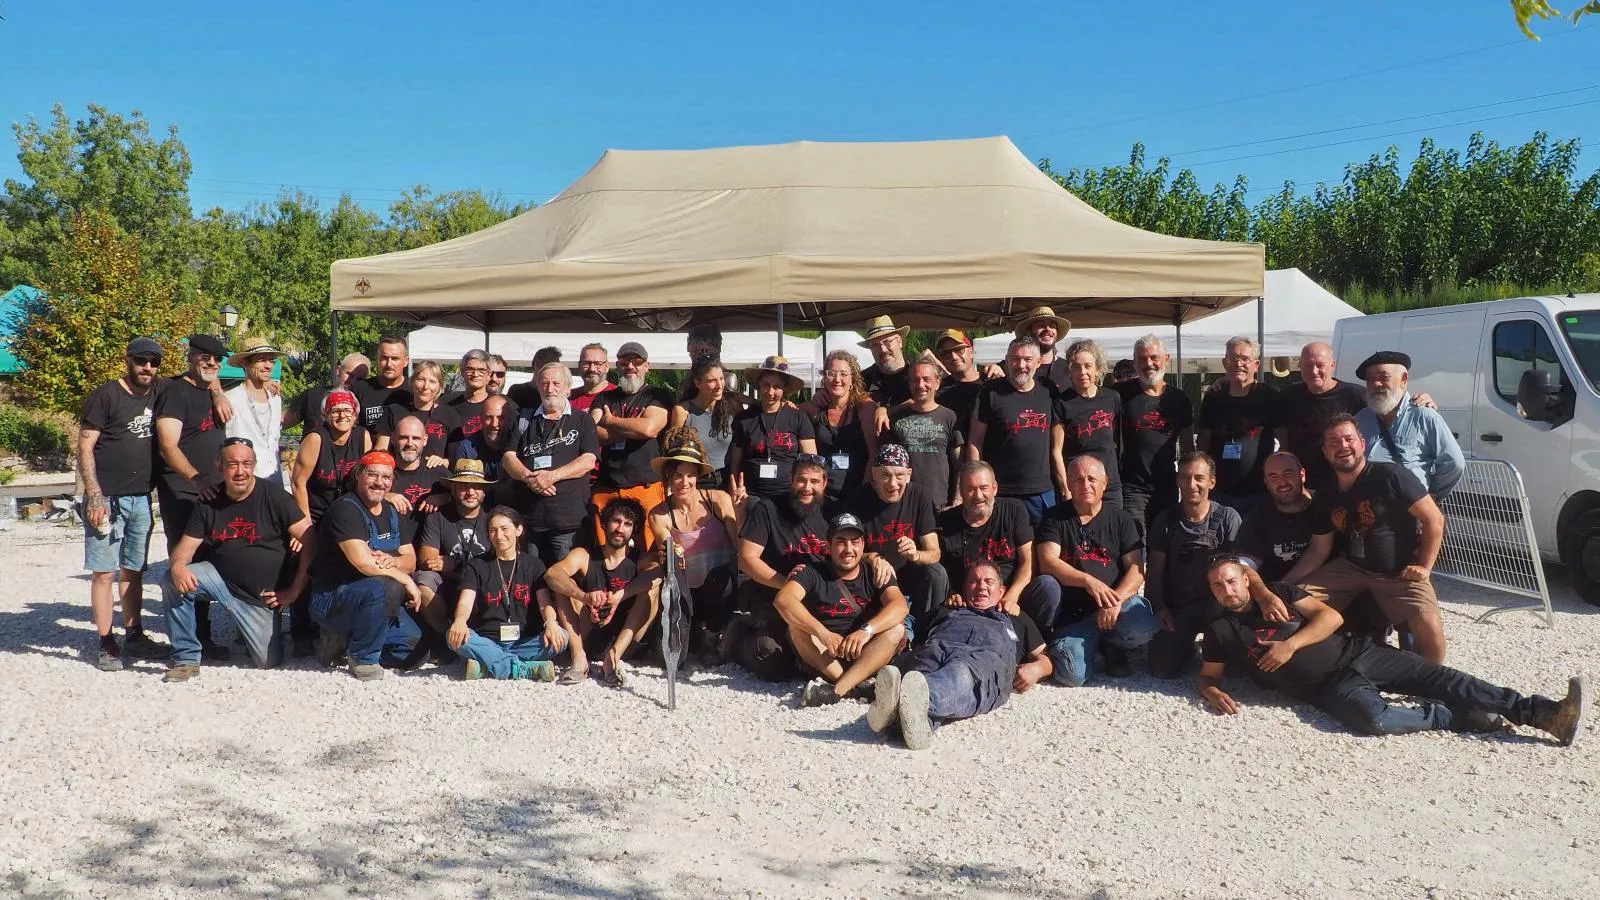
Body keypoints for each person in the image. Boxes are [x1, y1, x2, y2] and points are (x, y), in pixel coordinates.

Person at [1197, 558, 1585, 745]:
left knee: (1443, 677)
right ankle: (1451, 714)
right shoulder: (1219, 629)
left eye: (1231, 581)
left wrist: (1291, 645)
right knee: (1374, 721)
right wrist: (1212, 691)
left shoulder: (1280, 592)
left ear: (1246, 579)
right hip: (1327, 688)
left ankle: (1544, 713)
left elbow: (1330, 618)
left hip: (1359, 653)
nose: (1227, 590)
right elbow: (1209, 675)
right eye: (1218, 586)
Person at [1285, 414, 1450, 663]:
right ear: (1325, 452)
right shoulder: (1327, 493)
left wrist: (1424, 567)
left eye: (1348, 439)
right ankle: (1319, 655)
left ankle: (1434, 684)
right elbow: (1319, 551)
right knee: (1294, 598)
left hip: (1399, 571)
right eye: (1333, 443)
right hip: (1351, 568)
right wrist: (1282, 586)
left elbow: (1434, 520)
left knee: (1430, 629)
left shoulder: (1391, 475)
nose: (1342, 447)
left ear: (1362, 443)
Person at [160, 438, 315, 681]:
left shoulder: (274, 496)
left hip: (259, 596)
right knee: (171, 578)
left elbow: (311, 540)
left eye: (246, 463)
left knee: (267, 662)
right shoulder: (209, 500)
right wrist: (178, 565)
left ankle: (256, 628)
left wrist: (294, 590)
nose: (240, 471)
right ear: (219, 466)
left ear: (254, 465)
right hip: (219, 580)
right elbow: (185, 548)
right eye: (232, 464)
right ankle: (186, 658)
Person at [869, 561, 1051, 750]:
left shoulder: (1016, 615)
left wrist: (1038, 668)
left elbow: (1046, 656)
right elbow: (914, 636)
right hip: (939, 646)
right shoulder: (946, 608)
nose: (981, 586)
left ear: (1001, 590)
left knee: (961, 674)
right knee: (921, 669)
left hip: (983, 656)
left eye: (989, 582)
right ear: (964, 588)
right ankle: (918, 725)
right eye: (974, 581)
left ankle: (898, 705)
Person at [78, 337, 171, 670]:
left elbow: (196, 382)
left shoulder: (161, 391)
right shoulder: (106, 396)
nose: (147, 368)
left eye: (153, 362)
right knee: (104, 572)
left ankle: (135, 634)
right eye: (141, 361)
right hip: (107, 497)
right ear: (128, 360)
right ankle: (106, 642)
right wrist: (93, 494)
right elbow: (86, 447)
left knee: (134, 569)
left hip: (142, 497)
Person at [1032, 456, 1159, 685]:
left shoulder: (1121, 519)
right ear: (1069, 484)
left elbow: (1137, 569)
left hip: (1114, 607)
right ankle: (1087, 642)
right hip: (1075, 613)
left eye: (1092, 479)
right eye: (1078, 480)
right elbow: (1048, 561)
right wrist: (1087, 580)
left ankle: (1112, 644)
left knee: (1143, 624)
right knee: (1072, 676)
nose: (1085, 485)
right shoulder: (1055, 517)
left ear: (1105, 483)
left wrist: (1115, 601)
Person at [306, 451, 424, 681]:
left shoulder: (393, 512)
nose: (380, 483)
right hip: (333, 598)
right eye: (372, 475)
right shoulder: (346, 509)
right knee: (385, 586)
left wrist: (396, 562)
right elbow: (364, 563)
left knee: (416, 650)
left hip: (376, 605)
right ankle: (363, 658)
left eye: (386, 478)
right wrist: (404, 578)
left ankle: (344, 642)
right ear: (359, 475)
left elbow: (410, 560)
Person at [775, 512, 909, 707]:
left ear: (863, 546)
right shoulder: (812, 572)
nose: (848, 549)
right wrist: (823, 633)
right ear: (828, 546)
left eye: (854, 542)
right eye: (840, 542)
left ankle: (836, 691)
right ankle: (853, 687)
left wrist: (866, 631)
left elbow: (899, 606)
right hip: (827, 654)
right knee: (796, 627)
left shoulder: (876, 571)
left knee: (897, 630)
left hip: (866, 653)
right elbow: (784, 600)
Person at [154, 333, 231, 660]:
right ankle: (188, 644)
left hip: (214, 488)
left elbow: (212, 382)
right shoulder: (174, 392)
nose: (212, 362)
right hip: (184, 490)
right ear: (191, 356)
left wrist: (217, 391)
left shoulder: (211, 389)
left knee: (211, 560)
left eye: (217, 358)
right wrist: (196, 479)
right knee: (185, 564)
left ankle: (203, 634)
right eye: (205, 356)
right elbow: (167, 445)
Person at [729, 455, 831, 680]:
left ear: (824, 483)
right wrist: (789, 584)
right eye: (801, 480)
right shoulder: (768, 509)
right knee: (773, 663)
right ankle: (737, 635)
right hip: (773, 597)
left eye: (814, 482)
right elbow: (746, 559)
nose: (807, 487)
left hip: (819, 602)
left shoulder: (832, 513)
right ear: (791, 480)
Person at [289, 388, 374, 655]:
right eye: (336, 410)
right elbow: (298, 481)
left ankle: (340, 626)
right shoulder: (316, 438)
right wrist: (304, 525)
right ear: (326, 414)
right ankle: (301, 631)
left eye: (347, 410)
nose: (342, 415)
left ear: (355, 414)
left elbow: (368, 478)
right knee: (302, 557)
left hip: (346, 511)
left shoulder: (362, 437)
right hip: (314, 510)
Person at [647, 427, 742, 663]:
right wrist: (671, 548)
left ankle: (713, 636)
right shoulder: (660, 514)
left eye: (690, 475)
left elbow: (738, 544)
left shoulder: (718, 500)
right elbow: (667, 550)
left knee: (721, 577)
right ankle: (689, 635)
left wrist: (739, 513)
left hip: (720, 588)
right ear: (668, 477)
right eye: (678, 475)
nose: (684, 482)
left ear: (698, 476)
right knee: (672, 661)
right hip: (685, 591)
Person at [1146, 452, 1244, 679]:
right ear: (1178, 481)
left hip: (1219, 608)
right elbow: (1155, 571)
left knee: (1239, 671)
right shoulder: (1165, 520)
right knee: (1161, 669)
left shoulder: (1229, 518)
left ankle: (1223, 642)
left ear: (1212, 482)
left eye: (1199, 478)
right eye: (1185, 477)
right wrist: (1159, 607)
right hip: (1179, 608)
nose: (1191, 485)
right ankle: (1186, 646)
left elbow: (1241, 574)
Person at [545, 499, 658, 687]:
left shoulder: (640, 558)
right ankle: (579, 658)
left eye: (627, 524)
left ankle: (612, 659)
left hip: (626, 639)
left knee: (651, 588)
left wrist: (621, 595)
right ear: (604, 524)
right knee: (564, 585)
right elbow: (552, 574)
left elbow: (657, 574)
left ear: (634, 530)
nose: (620, 528)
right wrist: (585, 597)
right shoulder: (585, 555)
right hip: (589, 632)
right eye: (616, 521)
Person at [447, 506, 566, 681]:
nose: (499, 536)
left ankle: (488, 665)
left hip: (523, 641)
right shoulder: (477, 564)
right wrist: (460, 621)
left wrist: (551, 623)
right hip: (487, 639)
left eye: (504, 529)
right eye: (493, 530)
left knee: (562, 637)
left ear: (518, 530)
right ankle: (521, 668)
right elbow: (466, 601)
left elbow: (544, 603)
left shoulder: (534, 565)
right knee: (454, 637)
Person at [502, 361, 600, 565]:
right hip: (530, 519)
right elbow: (508, 457)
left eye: (556, 383)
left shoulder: (582, 420)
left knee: (564, 580)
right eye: (545, 383)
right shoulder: (524, 418)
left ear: (567, 386)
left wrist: (551, 477)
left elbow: (588, 460)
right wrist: (531, 479)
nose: (550, 388)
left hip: (568, 521)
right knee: (532, 581)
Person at [851, 443, 945, 639]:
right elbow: (843, 550)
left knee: (937, 572)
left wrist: (916, 554)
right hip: (875, 578)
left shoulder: (919, 496)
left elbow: (934, 553)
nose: (893, 484)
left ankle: (928, 633)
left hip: (910, 574)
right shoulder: (858, 499)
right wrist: (871, 557)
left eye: (899, 475)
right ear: (874, 474)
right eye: (886, 475)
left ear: (909, 474)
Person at [938, 461, 1053, 622]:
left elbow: (1028, 562)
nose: (978, 496)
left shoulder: (1014, 510)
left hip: (1013, 597)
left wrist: (1012, 596)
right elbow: (942, 568)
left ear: (995, 488)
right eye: (970, 489)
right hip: (969, 601)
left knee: (1047, 586)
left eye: (984, 488)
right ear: (962, 493)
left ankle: (1041, 635)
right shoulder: (947, 521)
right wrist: (951, 593)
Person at [967, 336, 1061, 523]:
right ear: (1007, 360)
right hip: (1002, 491)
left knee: (1043, 547)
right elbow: (975, 442)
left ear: (1038, 362)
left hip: (1041, 491)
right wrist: (975, 483)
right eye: (1015, 359)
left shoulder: (1049, 391)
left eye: (1027, 359)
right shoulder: (991, 392)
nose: (1021, 365)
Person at [591, 341, 671, 549]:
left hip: (646, 485)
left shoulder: (657, 395)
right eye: (624, 362)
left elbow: (649, 429)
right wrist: (632, 430)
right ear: (617, 366)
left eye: (637, 362)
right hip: (607, 486)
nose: (630, 367)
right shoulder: (604, 397)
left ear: (647, 366)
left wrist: (610, 422)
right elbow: (592, 433)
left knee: (652, 548)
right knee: (605, 549)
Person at [1354, 351, 1464, 498]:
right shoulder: (1361, 419)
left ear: (1403, 379)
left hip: (1408, 511)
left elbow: (1454, 463)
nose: (1375, 384)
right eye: (1370, 379)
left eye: (1383, 377)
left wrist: (1430, 496)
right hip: (1367, 509)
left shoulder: (1424, 416)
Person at [1116, 334, 1195, 529]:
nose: (1148, 363)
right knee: (1134, 546)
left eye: (1154, 358)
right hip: (1132, 488)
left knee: (1163, 545)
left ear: (1166, 359)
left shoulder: (1179, 398)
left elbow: (1187, 447)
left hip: (1167, 485)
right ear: (1134, 362)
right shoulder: (1119, 394)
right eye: (1142, 359)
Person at [1197, 337, 1283, 515]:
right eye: (1233, 358)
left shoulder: (1269, 397)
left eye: (1245, 359)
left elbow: (1285, 440)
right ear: (1224, 362)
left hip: (1259, 491)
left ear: (1256, 364)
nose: (1238, 363)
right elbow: (1203, 443)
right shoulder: (1214, 397)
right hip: (1219, 492)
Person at [414, 458, 495, 640]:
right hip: (450, 584)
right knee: (424, 580)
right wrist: (449, 568)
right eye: (463, 486)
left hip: (485, 585)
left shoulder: (494, 517)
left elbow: (503, 559)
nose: (470, 492)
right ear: (452, 489)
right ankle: (445, 639)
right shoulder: (437, 518)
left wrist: (456, 563)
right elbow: (427, 561)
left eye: (476, 487)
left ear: (484, 492)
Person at [1279, 341, 1366, 489]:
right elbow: (1280, 432)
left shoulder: (1355, 395)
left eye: (1320, 365)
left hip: (1344, 484)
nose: (1314, 371)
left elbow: (1387, 413)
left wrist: (1418, 400)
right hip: (1303, 485)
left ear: (1332, 365)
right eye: (1307, 365)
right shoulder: (1289, 396)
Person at [729, 356, 817, 501]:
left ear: (785, 388)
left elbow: (811, 461)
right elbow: (735, 464)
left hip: (788, 495)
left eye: (777, 387)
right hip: (752, 495)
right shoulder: (744, 418)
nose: (770, 392)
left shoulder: (798, 417)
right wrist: (734, 491)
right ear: (759, 385)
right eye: (766, 385)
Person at [801, 350, 877, 513]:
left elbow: (874, 454)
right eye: (831, 374)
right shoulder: (814, 409)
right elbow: (790, 410)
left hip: (858, 493)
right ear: (825, 378)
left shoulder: (864, 408)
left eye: (843, 374)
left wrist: (863, 493)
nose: (837, 380)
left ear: (852, 379)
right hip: (823, 496)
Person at [1054, 338, 1124, 510]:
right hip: (1079, 486)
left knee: (1111, 532)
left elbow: (1118, 440)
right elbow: (1056, 450)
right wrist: (1065, 489)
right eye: (1076, 367)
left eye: (1088, 366)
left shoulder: (1112, 398)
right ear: (1070, 371)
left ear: (1098, 369)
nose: (1082, 372)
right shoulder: (1062, 402)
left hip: (1110, 484)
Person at [887, 356, 964, 509]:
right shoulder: (895, 418)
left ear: (937, 383)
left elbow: (960, 463)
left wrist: (957, 499)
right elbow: (887, 465)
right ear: (909, 384)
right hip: (903, 504)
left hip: (939, 504)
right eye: (915, 380)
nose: (920, 385)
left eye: (926, 379)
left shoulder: (949, 417)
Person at [1236, 451, 1319, 583]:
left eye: (1288, 474)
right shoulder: (1257, 517)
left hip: (1326, 583)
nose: (1282, 483)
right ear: (1266, 483)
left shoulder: (1324, 505)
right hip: (1275, 589)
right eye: (1273, 477)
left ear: (1302, 475)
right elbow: (1247, 562)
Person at [670, 359, 744, 487]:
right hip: (697, 481)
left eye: (721, 378)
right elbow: (673, 453)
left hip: (728, 480)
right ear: (698, 383)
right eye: (712, 380)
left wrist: (786, 404)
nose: (719, 385)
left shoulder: (733, 408)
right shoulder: (682, 411)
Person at [223, 344, 288, 485]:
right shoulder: (231, 399)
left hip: (274, 478)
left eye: (271, 361)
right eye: (262, 360)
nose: (268, 366)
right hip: (244, 479)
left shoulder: (275, 399)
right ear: (245, 363)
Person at [376, 361, 460, 466]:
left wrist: (444, 462)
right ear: (412, 382)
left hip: (434, 477)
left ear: (440, 387)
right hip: (399, 476)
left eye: (432, 381)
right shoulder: (393, 412)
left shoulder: (449, 414)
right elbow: (380, 451)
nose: (426, 386)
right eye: (421, 380)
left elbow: (456, 457)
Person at [450, 393, 517, 509]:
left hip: (511, 511)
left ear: (510, 419)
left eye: (500, 418)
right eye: (489, 417)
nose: (494, 424)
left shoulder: (518, 445)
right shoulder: (467, 447)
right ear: (480, 419)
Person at [386, 415, 450, 523]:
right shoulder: (382, 472)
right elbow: (356, 494)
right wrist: (383, 495)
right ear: (393, 438)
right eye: (403, 437)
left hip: (431, 538)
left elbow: (464, 493)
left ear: (424, 440)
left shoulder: (436, 470)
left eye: (416, 438)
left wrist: (445, 497)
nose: (410, 444)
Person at [283, 352, 368, 433]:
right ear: (338, 371)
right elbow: (280, 422)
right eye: (350, 374)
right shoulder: (313, 396)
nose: (352, 381)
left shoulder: (365, 405)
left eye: (359, 379)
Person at [933, 329, 989, 435]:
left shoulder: (990, 382)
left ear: (971, 352)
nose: (954, 357)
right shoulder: (938, 390)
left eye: (959, 349)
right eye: (946, 354)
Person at [352, 336, 413, 431]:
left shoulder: (415, 390)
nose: (389, 364)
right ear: (377, 359)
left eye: (395, 358)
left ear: (406, 361)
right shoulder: (360, 389)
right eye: (384, 358)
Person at [1013, 305, 1073, 394]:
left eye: (1052, 326)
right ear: (1029, 332)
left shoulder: (1069, 368)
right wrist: (996, 368)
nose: (1047, 329)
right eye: (1041, 325)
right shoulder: (1017, 367)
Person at [858, 315, 912, 406]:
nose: (883, 349)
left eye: (887, 342)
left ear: (899, 341)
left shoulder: (919, 375)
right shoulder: (861, 381)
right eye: (875, 345)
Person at [445, 349, 494, 438]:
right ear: (462, 371)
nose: (475, 374)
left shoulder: (499, 405)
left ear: (489, 374)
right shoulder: (446, 403)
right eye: (470, 369)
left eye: (481, 370)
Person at [569, 342, 616, 413]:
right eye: (586, 363)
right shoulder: (568, 397)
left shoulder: (618, 396)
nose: (592, 369)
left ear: (606, 367)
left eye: (597, 364)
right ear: (579, 366)